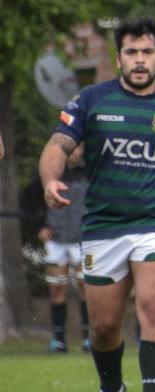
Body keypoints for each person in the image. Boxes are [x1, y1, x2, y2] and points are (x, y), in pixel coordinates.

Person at [39, 17, 155, 392]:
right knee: (103, 327)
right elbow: (57, 146)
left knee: (154, 308)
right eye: (131, 53)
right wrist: (51, 180)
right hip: (104, 225)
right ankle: (111, 390)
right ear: (119, 58)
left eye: (147, 52)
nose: (139, 60)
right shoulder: (91, 100)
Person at [36, 145, 91, 353]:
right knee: (57, 287)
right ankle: (58, 340)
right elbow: (31, 199)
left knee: (85, 285)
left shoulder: (90, 171)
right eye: (71, 148)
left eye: (78, 148)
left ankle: (89, 338)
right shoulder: (51, 173)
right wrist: (40, 225)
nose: (74, 152)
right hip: (56, 239)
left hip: (82, 238)